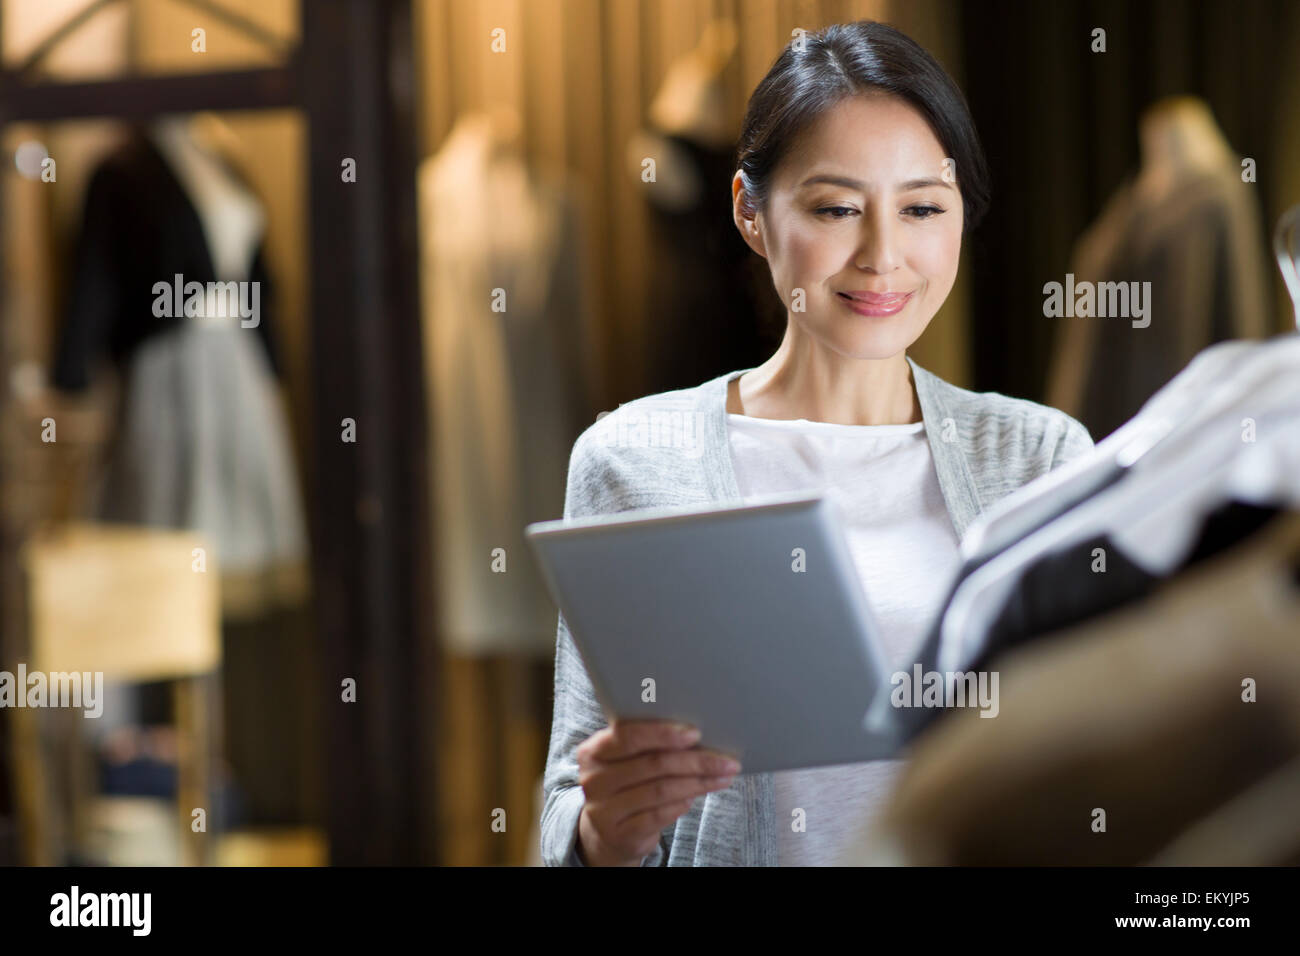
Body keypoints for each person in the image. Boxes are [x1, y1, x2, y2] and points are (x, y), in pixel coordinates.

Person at [541, 19, 1094, 867]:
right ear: (750, 213)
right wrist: (601, 832)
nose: (882, 255)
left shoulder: (1041, 458)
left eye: (921, 208)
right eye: (836, 208)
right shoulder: (631, 457)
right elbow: (567, 813)